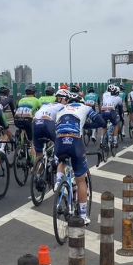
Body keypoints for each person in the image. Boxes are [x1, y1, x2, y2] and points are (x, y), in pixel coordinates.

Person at [53, 90, 104, 224]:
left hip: (59, 140)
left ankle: (58, 182)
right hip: (75, 141)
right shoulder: (85, 107)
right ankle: (82, 215)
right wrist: (91, 125)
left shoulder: (61, 109)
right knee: (81, 180)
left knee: (62, 160)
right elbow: (100, 121)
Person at [14, 84, 41, 161]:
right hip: (28, 120)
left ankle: (20, 144)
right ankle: (33, 160)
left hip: (16, 120)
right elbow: (41, 111)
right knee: (32, 141)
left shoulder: (21, 100)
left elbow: (17, 109)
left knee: (22, 127)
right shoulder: (36, 100)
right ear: (34, 92)